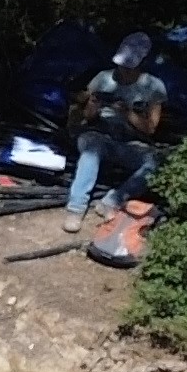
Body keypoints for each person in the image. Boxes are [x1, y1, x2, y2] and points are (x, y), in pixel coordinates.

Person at [67, 32, 169, 233]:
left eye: (128, 66)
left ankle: (112, 200)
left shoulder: (154, 86)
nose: (123, 70)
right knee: (91, 147)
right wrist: (93, 108)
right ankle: (76, 207)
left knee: (153, 164)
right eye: (122, 64)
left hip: (131, 142)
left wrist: (127, 113)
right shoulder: (103, 78)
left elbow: (151, 128)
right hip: (100, 134)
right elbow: (86, 116)